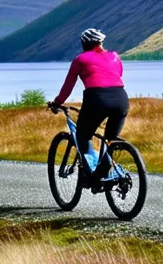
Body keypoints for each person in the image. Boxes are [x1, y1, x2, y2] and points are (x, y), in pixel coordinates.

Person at [50, 28, 128, 179]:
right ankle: (106, 169)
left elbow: (68, 86)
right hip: (121, 98)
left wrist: (57, 103)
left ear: (83, 43)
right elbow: (116, 75)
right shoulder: (114, 56)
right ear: (100, 42)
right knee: (111, 139)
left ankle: (94, 175)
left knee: (83, 136)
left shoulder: (80, 59)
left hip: (97, 99)